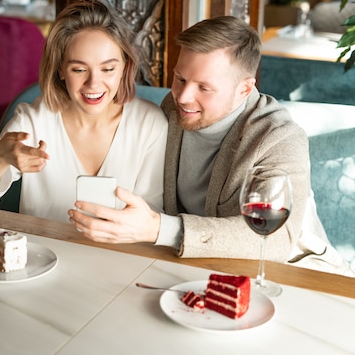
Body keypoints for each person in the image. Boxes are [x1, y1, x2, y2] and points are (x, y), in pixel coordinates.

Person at [68, 15, 354, 276]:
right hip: (202, 269)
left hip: (293, 274)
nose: (183, 96)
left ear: (244, 88)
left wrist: (158, 228)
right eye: (180, 78)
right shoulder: (172, 108)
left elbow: (274, 240)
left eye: (204, 88)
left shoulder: (279, 136)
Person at [0, 0, 168, 221]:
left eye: (108, 69)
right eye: (79, 69)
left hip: (122, 254)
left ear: (125, 67)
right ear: (60, 70)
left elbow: (152, 216)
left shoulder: (150, 124)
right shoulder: (33, 122)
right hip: (42, 254)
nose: (94, 83)